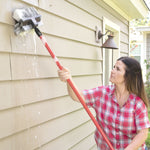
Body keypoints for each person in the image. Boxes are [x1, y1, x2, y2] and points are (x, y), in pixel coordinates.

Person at [58, 56, 150, 150]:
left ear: (128, 77)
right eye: (114, 67)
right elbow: (78, 96)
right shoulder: (102, 94)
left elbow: (142, 133)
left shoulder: (137, 103)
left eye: (117, 69)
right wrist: (69, 80)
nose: (112, 70)